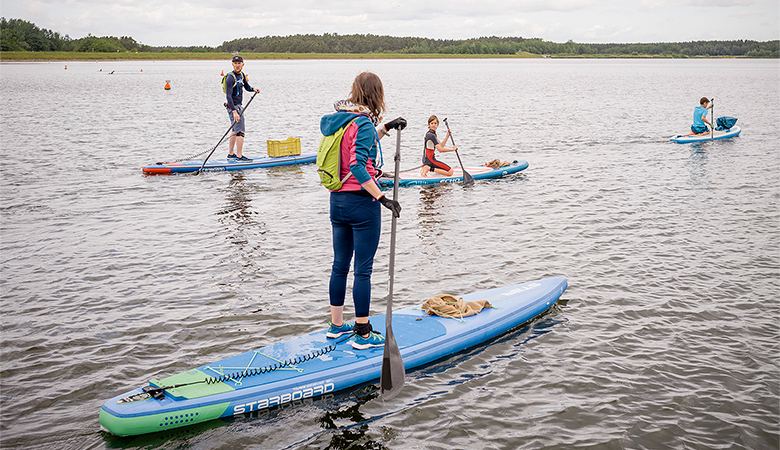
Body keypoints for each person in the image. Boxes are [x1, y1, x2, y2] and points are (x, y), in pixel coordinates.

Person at [320, 71, 406, 350]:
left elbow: (356, 147)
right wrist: (382, 198)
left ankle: (335, 327)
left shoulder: (343, 120)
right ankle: (363, 333)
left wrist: (387, 128)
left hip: (337, 202)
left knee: (339, 266)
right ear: (375, 94)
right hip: (362, 204)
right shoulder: (365, 123)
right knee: (363, 271)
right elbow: (358, 164)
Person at [224, 55, 260, 161]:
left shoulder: (242, 75)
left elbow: (247, 87)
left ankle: (231, 154)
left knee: (235, 131)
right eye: (235, 63)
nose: (237, 65)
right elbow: (228, 96)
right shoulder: (230, 77)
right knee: (240, 132)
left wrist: (253, 89)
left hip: (239, 106)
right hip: (233, 107)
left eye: (239, 63)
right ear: (232, 64)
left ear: (243, 65)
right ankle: (239, 156)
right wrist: (234, 111)